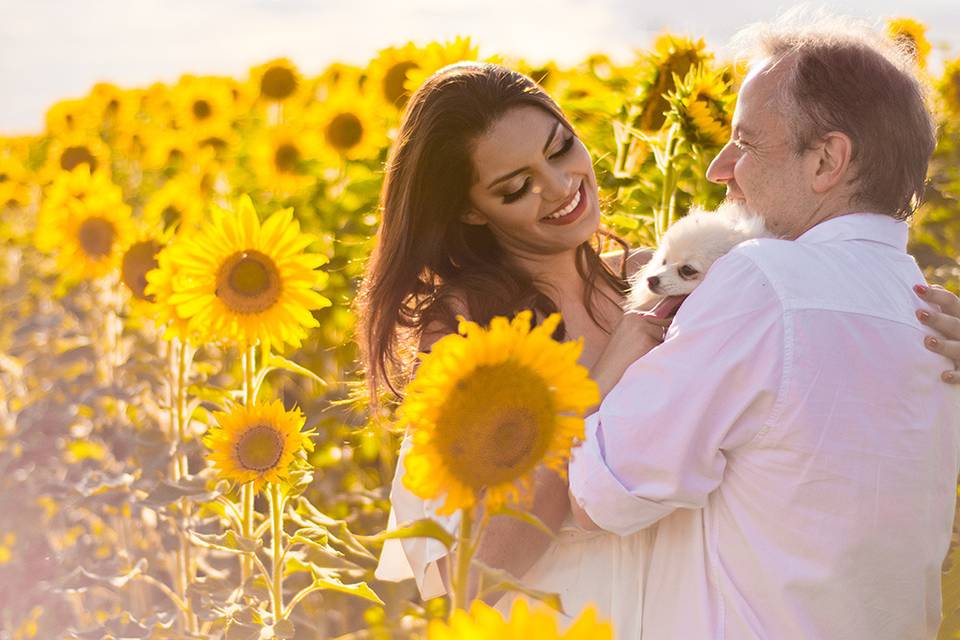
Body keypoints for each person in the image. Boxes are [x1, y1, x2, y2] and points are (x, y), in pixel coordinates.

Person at [354, 59, 960, 635]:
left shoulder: (683, 279)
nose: (562, 186)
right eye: (517, 187)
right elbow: (460, 579)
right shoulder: (465, 340)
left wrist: (919, 337)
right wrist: (601, 382)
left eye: (562, 148)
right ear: (471, 211)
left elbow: (818, 382)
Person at [568, 13, 960, 640]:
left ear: (827, 160)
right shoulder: (928, 311)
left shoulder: (763, 282)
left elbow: (603, 492)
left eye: (746, 143)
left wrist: (611, 362)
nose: (719, 170)